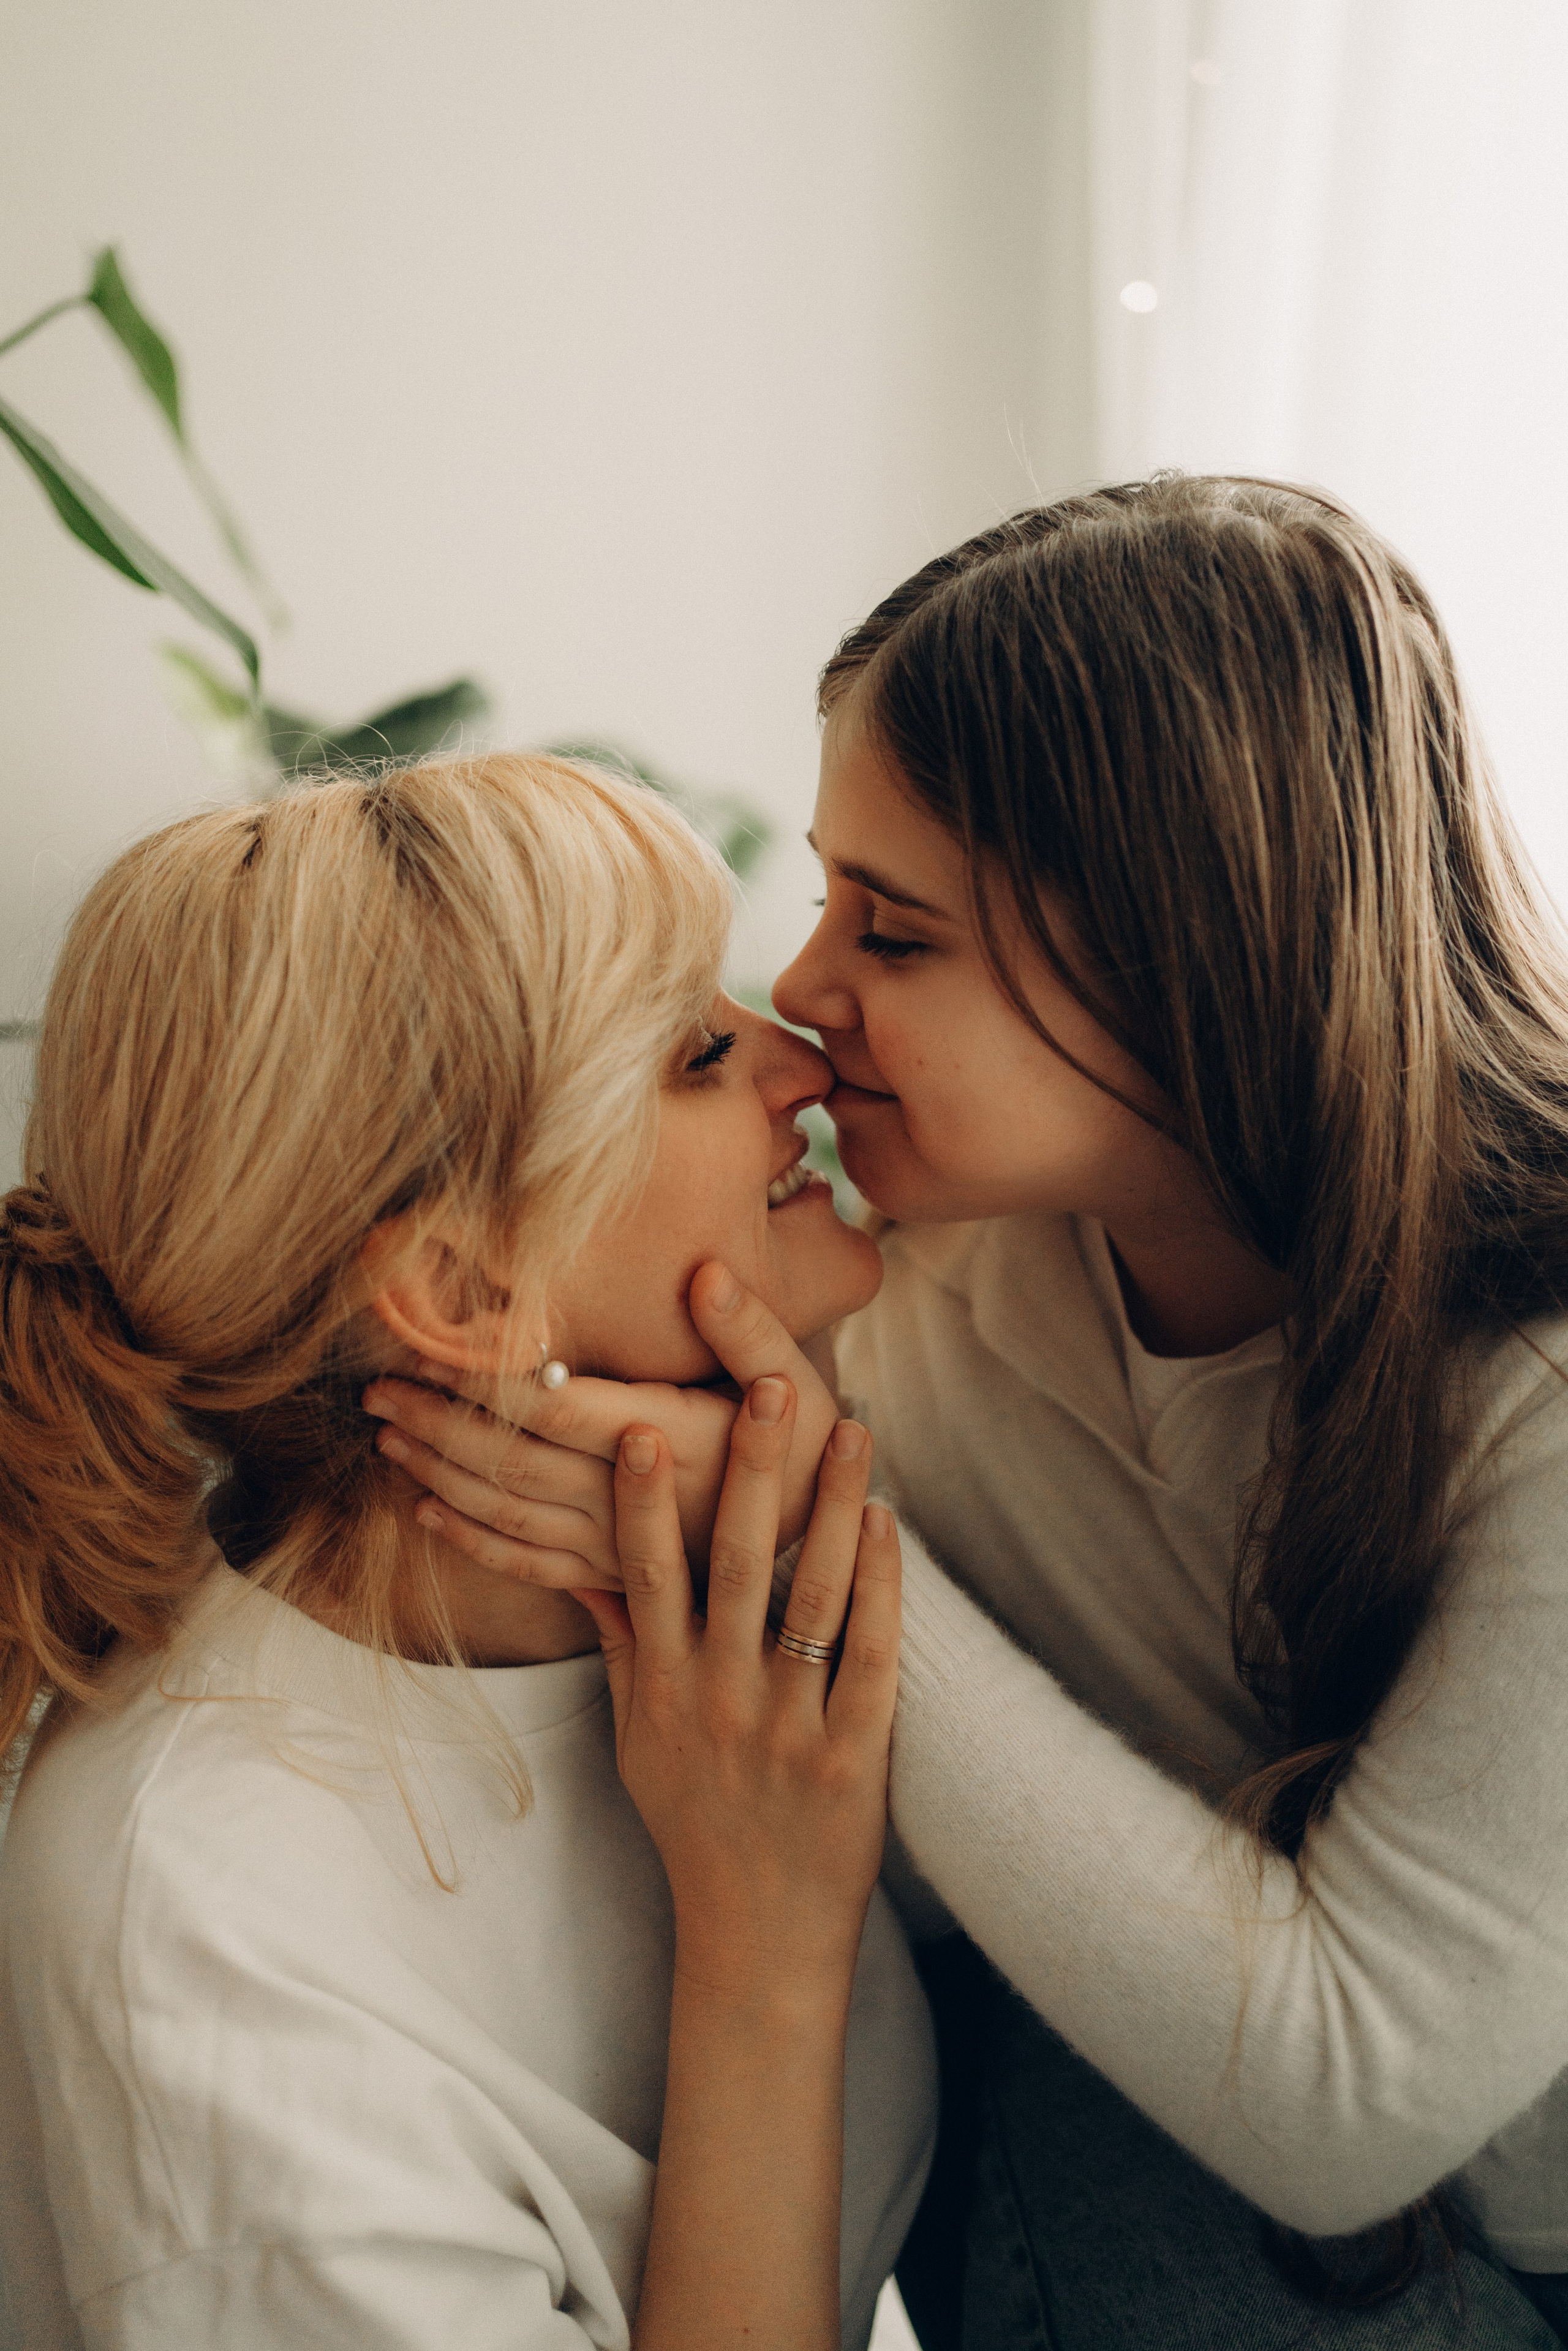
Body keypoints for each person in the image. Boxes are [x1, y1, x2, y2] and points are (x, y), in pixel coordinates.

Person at [371, 478, 1568, 2349]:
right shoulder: (921, 1273)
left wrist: (811, 1553)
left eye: (897, 932)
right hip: (1239, 2201)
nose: (802, 988)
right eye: (831, 891)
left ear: (1195, 957)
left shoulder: (1538, 1387)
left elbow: (1356, 2095)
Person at [0, 753, 937, 2351]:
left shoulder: (691, 1622)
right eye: (700, 1053)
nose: (800, 1059)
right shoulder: (217, 1941)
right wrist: (765, 1949)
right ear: (464, 1293)